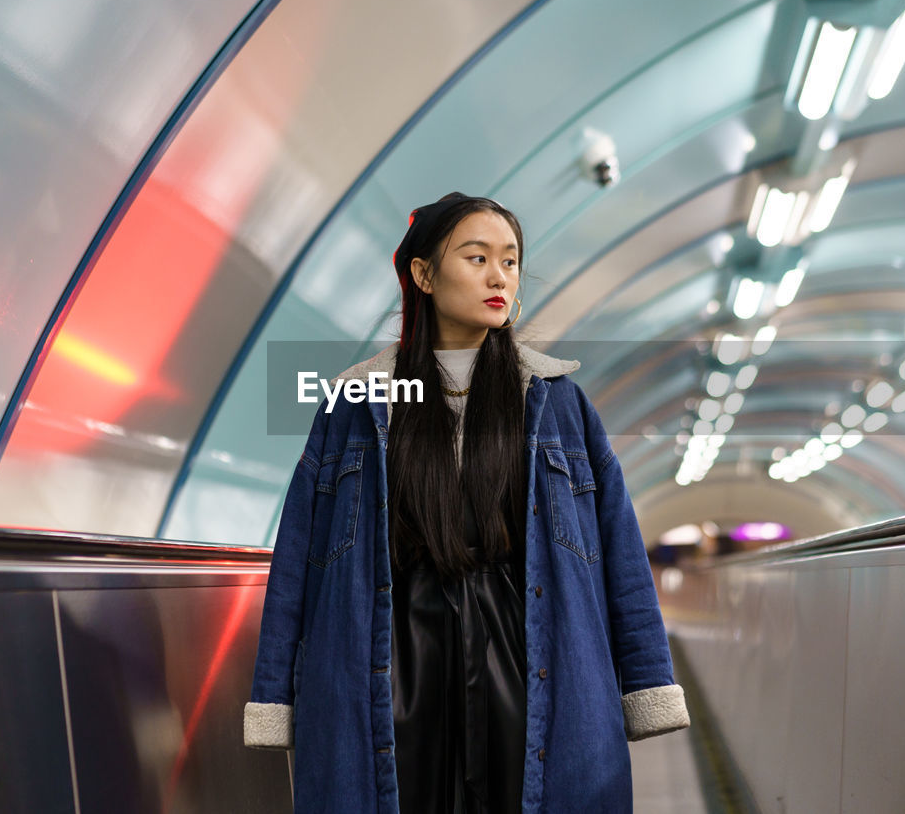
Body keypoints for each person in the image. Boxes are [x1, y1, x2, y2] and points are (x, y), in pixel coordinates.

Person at [243, 193, 689, 813]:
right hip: (395, 660)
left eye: (509, 261)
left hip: (525, 652)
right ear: (423, 275)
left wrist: (648, 683)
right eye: (476, 257)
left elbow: (616, 548)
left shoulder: (556, 402)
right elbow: (300, 555)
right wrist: (274, 696)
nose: (498, 276)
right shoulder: (355, 405)